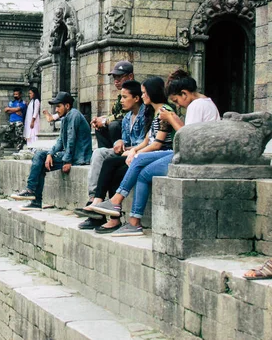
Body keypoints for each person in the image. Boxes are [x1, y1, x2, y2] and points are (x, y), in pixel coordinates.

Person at [94, 69, 221, 237]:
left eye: (177, 100)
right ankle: (133, 221)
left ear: (184, 93)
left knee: (138, 161)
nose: (177, 105)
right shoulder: (205, 101)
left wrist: (171, 118)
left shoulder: (196, 105)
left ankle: (117, 202)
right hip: (191, 154)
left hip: (193, 157)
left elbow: (188, 139)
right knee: (144, 173)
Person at [90, 76, 180, 235]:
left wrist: (137, 153)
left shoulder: (165, 111)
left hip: (161, 153)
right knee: (113, 166)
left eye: (145, 93)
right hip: (152, 152)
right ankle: (111, 210)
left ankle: (113, 203)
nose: (143, 95)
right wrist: (134, 150)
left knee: (119, 165)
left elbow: (158, 143)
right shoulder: (155, 111)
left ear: (152, 93)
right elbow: (147, 139)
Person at [74, 80, 146, 232]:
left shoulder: (146, 115)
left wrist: (129, 149)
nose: (121, 101)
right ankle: (93, 200)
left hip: (139, 154)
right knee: (100, 153)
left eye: (124, 97)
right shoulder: (127, 118)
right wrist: (120, 141)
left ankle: (109, 215)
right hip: (127, 152)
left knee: (112, 165)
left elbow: (146, 143)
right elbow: (126, 140)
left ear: (136, 98)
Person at [10, 91, 92, 210]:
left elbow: (71, 140)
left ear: (67, 106)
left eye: (58, 106)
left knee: (39, 156)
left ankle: (31, 190)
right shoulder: (65, 118)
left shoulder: (74, 115)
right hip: (70, 154)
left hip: (78, 156)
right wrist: (50, 153)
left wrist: (67, 160)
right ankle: (36, 201)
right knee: (41, 161)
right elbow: (60, 141)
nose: (56, 110)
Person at [91, 60, 134, 148]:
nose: (116, 81)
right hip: (124, 128)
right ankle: (105, 153)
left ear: (130, 76)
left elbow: (127, 115)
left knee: (114, 125)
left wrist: (105, 121)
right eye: (114, 77)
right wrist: (102, 119)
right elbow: (116, 114)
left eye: (119, 77)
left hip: (134, 130)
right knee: (100, 127)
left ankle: (119, 151)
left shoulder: (136, 93)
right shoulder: (120, 97)